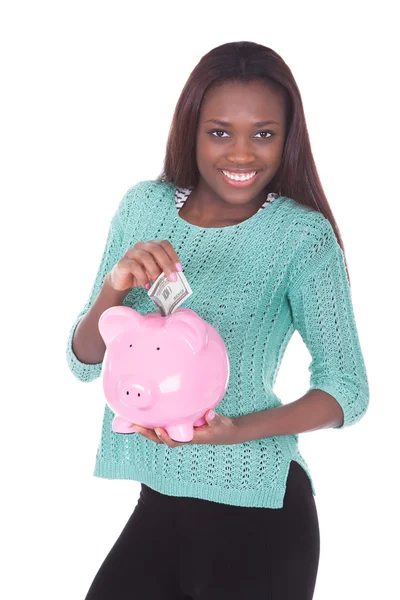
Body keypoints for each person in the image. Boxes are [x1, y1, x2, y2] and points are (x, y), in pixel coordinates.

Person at [66, 41, 369, 600]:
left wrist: (236, 430)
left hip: (260, 514)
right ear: (193, 130)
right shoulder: (143, 208)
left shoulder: (301, 237)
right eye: (220, 131)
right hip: (159, 504)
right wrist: (115, 286)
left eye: (263, 133)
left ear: (287, 138)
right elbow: (84, 360)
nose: (241, 154)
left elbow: (347, 390)